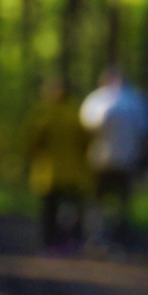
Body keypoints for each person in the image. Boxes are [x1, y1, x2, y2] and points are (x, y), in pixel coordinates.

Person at [79, 67, 148, 239]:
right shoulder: (136, 100)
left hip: (99, 160)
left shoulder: (95, 100)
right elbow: (147, 130)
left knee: (97, 199)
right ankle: (121, 236)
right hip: (127, 160)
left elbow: (84, 130)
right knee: (122, 201)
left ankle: (96, 235)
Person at [27, 83, 95, 251]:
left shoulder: (44, 114)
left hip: (49, 172)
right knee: (75, 208)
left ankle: (50, 241)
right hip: (73, 172)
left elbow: (33, 141)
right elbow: (87, 140)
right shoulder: (77, 114)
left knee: (50, 209)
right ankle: (74, 239)